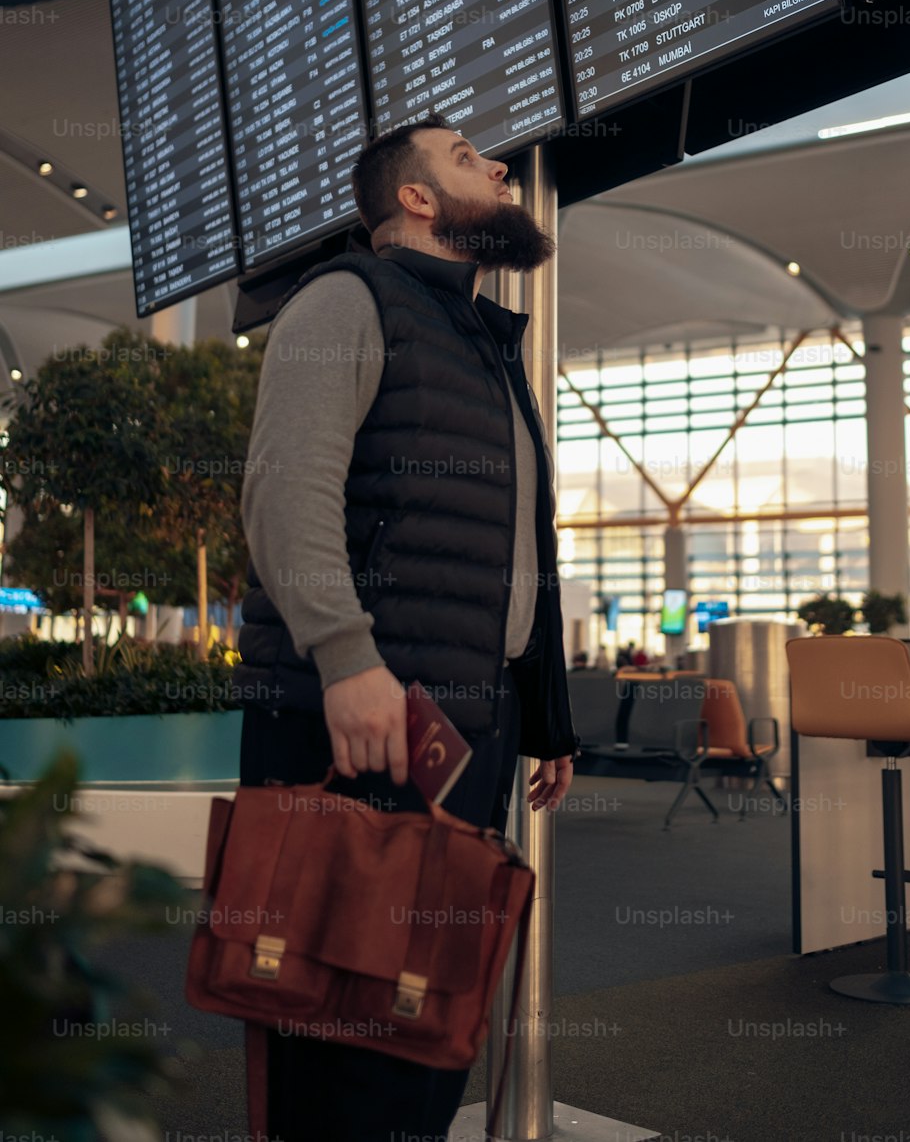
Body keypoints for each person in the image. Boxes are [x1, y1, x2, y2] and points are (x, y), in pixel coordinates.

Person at [233, 111, 578, 1142]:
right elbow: (281, 493)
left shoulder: (480, 344)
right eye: (471, 159)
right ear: (416, 199)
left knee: (424, 1036)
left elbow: (516, 548)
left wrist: (545, 714)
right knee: (340, 1038)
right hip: (361, 722)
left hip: (462, 730)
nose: (502, 167)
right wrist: (347, 658)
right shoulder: (347, 300)